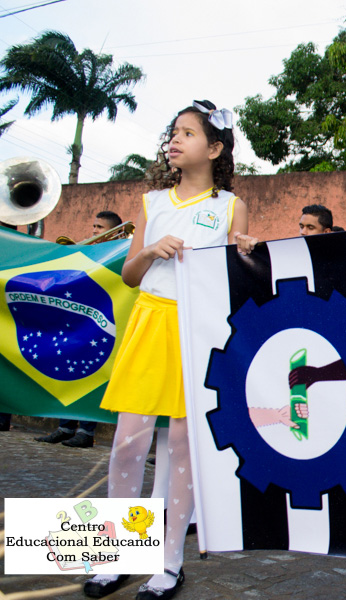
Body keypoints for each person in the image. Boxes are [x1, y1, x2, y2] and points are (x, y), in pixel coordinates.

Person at [82, 100, 254, 600]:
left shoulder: (230, 206)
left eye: (188, 133)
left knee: (182, 448)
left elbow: (235, 279)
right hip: (150, 324)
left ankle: (169, 563)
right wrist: (151, 251)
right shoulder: (153, 202)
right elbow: (129, 275)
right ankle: (114, 557)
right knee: (128, 443)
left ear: (215, 147)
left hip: (197, 331)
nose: (175, 140)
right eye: (173, 133)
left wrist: (247, 253)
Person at [35, 210, 125, 449]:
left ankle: (86, 432)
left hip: (103, 327)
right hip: (79, 326)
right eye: (93, 226)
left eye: (99, 227)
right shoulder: (88, 252)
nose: (94, 231)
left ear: (114, 231)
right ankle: (65, 428)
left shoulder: (120, 255)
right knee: (70, 374)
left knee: (93, 377)